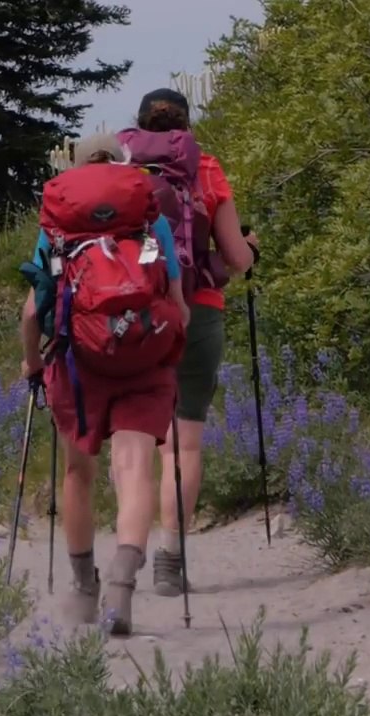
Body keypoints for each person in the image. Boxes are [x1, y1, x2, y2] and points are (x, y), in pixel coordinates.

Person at [19, 133, 188, 635]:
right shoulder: (149, 219)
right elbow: (179, 306)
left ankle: (83, 587)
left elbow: (32, 312)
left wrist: (33, 365)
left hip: (78, 361)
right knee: (135, 469)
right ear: (122, 168)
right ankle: (121, 582)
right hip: (144, 357)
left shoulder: (59, 225)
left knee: (78, 473)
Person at [125, 88, 258, 597]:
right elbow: (237, 259)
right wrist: (249, 247)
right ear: (186, 126)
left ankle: (126, 554)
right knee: (185, 442)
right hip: (199, 310)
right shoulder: (207, 170)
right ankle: (169, 559)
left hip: (133, 314)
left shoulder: (120, 174)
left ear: (138, 126)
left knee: (135, 440)